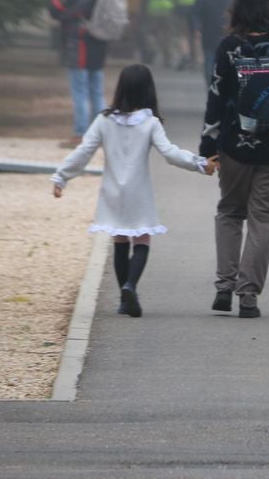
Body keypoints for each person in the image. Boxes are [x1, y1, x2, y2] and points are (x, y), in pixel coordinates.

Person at [52, 64, 216, 318]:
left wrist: (62, 177)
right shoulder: (150, 123)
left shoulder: (104, 120)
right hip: (139, 191)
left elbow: (83, 152)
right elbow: (170, 153)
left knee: (119, 239)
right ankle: (131, 285)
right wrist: (200, 163)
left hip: (112, 191)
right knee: (142, 239)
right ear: (148, 90)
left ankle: (124, 297)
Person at [200, 0, 269, 318]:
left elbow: (216, 97)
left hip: (235, 146)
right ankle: (248, 296)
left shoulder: (229, 47)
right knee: (265, 221)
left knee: (231, 212)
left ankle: (223, 286)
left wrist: (208, 145)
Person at [49, 0, 108, 148]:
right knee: (97, 92)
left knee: (80, 92)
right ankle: (100, 134)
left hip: (80, 46)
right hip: (98, 46)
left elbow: (60, 12)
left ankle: (81, 134)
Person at [191, 0, 236, 85]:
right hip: (209, 37)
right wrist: (196, 28)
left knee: (228, 70)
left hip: (229, 39)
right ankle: (212, 92)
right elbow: (195, 13)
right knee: (209, 70)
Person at [139, 0, 176, 68]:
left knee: (148, 32)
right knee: (168, 35)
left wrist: (143, 10)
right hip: (168, 11)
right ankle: (168, 60)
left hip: (153, 10)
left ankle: (153, 48)